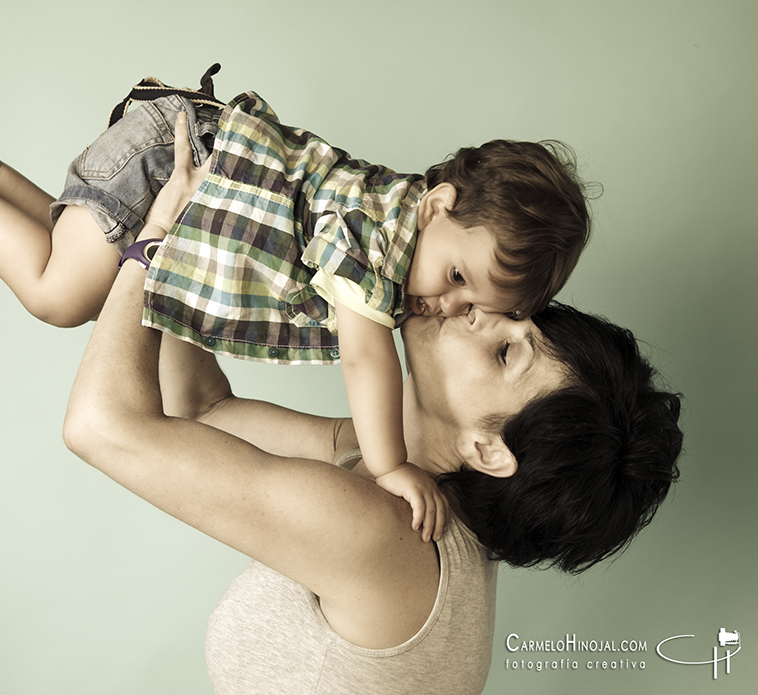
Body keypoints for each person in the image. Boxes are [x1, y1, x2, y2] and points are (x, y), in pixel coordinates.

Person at [61, 120, 682, 693]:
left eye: (501, 354)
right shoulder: (388, 477)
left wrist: (154, 240)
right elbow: (203, 413)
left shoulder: (385, 536)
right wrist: (191, 231)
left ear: (488, 449)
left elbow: (100, 428)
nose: (471, 311)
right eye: (507, 317)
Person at [0, 67, 591, 542]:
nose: (446, 303)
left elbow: (209, 410)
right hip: (178, 157)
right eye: (457, 276)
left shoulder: (410, 232)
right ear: (439, 204)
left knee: (95, 297)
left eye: (478, 303)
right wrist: (390, 466)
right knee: (56, 295)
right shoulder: (378, 241)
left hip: (187, 147)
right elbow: (364, 355)